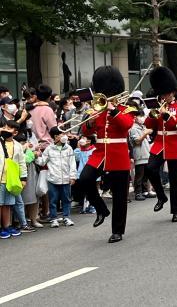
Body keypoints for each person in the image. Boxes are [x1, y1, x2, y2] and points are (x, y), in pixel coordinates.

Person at [78, 66, 137, 243]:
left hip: (118, 153)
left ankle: (117, 231)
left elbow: (126, 125)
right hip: (100, 152)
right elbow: (86, 132)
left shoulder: (125, 108)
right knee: (85, 179)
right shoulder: (96, 109)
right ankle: (101, 209)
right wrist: (91, 122)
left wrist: (113, 110)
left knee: (120, 194)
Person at [144, 67, 177, 223]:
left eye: (167, 93)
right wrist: (152, 113)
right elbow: (149, 124)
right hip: (160, 142)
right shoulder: (158, 105)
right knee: (150, 169)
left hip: (175, 142)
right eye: (163, 93)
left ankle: (176, 211)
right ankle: (161, 196)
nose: (165, 96)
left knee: (176, 179)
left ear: (172, 92)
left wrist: (167, 116)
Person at [38, 127, 77, 228]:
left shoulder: (68, 148)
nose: (65, 136)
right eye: (62, 134)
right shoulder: (49, 149)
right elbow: (42, 161)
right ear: (55, 136)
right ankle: (54, 218)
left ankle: (66, 217)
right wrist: (35, 156)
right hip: (53, 179)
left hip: (66, 179)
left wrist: (73, 176)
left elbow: (72, 163)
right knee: (53, 200)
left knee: (67, 199)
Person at [0, 121, 27, 238]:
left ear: (15, 132)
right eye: (5, 127)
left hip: (11, 180)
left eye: (9, 128)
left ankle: (6, 226)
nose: (6, 129)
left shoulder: (18, 146)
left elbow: (22, 163)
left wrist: (23, 178)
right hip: (0, 179)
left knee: (7, 205)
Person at [129, 109, 152, 201]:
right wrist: (145, 133)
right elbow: (137, 141)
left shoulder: (142, 127)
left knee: (145, 174)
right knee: (139, 175)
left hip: (146, 153)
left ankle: (145, 191)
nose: (142, 118)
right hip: (139, 154)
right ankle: (138, 192)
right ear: (135, 118)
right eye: (140, 116)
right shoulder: (134, 128)